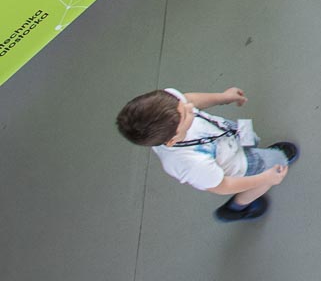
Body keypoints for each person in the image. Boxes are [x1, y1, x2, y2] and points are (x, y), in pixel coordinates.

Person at [116, 86, 298, 223]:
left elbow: (189, 99)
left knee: (253, 138)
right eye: (186, 115)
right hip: (235, 164)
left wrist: (223, 97)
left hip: (227, 135)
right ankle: (238, 207)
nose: (190, 108)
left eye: (183, 105)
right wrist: (264, 178)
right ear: (172, 140)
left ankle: (260, 155)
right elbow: (222, 185)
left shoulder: (171, 106)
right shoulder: (188, 162)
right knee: (277, 162)